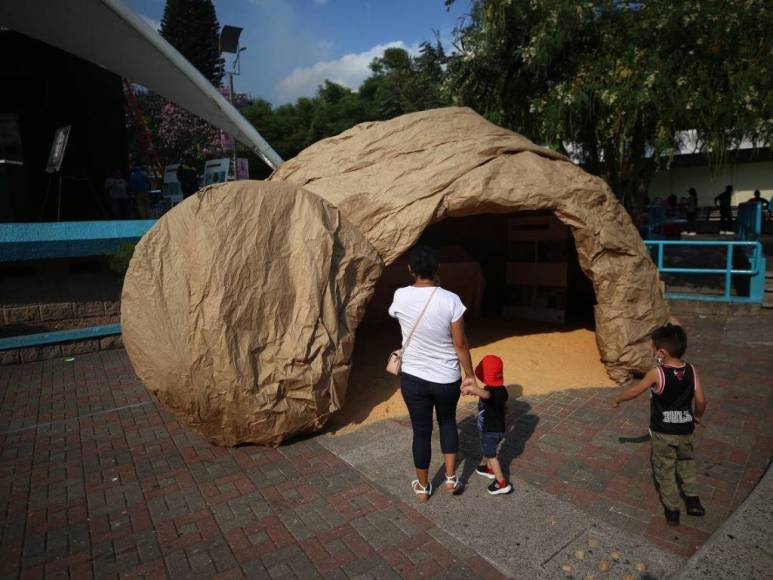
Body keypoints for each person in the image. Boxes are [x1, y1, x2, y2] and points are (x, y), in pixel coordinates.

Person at [388, 245, 477, 502]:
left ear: (410, 269)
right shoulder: (451, 299)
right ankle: (451, 479)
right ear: (438, 269)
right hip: (447, 377)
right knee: (448, 422)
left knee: (421, 431)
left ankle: (424, 488)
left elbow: (397, 315)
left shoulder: (400, 295)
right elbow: (460, 343)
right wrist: (469, 375)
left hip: (414, 376)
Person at [612, 324, 707, 526]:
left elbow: (634, 391)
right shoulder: (691, 370)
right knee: (687, 463)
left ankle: (672, 509)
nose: (653, 352)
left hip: (663, 433)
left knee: (665, 470)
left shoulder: (657, 373)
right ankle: (693, 501)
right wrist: (697, 416)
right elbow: (701, 401)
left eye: (654, 349)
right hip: (685, 431)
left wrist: (619, 398)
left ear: (662, 352)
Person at [462, 355, 513, 495]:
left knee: (491, 455)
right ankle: (490, 470)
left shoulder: (489, 392)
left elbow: (486, 395)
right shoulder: (502, 390)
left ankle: (501, 482)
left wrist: (471, 389)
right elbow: (498, 402)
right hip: (499, 429)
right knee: (492, 450)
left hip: (490, 431)